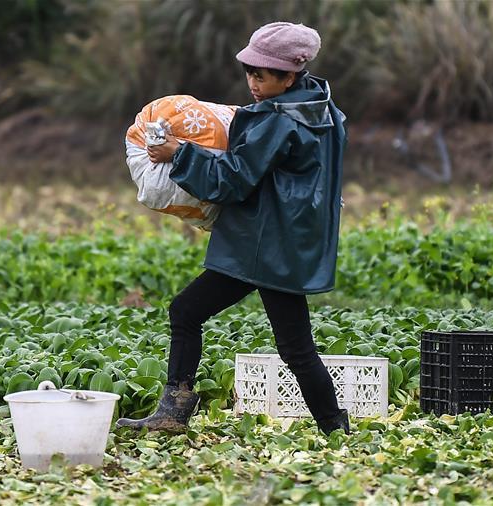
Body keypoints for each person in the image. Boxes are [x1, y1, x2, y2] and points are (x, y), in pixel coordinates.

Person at [116, 21, 349, 436]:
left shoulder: (279, 121)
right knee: (296, 347)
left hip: (260, 245)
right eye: (250, 72)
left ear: (289, 76)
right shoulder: (326, 112)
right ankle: (338, 430)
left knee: (188, 313)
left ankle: (174, 412)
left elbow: (234, 178)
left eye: (262, 75)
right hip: (291, 242)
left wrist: (179, 152)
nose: (253, 83)